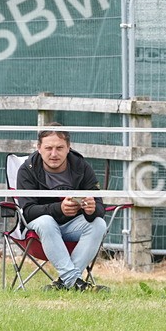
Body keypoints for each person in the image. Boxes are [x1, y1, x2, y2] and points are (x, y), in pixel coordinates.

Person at [15, 124, 107, 290]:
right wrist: (59, 208)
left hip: (72, 226)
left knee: (99, 224)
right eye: (48, 148)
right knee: (46, 222)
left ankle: (65, 284)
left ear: (69, 148)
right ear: (39, 148)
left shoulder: (81, 166)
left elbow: (100, 207)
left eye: (59, 148)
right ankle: (75, 282)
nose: (54, 154)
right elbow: (27, 211)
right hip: (38, 231)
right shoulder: (27, 170)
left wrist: (92, 210)